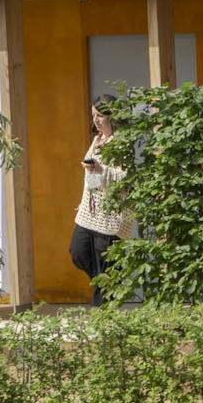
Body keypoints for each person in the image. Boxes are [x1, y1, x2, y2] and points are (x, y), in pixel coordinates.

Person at [71, 99, 128, 288]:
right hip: (90, 211)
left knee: (106, 263)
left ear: (111, 117)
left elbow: (125, 178)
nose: (95, 120)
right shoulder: (97, 141)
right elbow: (92, 177)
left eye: (100, 115)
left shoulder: (120, 144)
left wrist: (99, 170)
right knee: (78, 253)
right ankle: (103, 288)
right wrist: (85, 198)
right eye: (93, 115)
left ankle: (105, 302)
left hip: (111, 213)